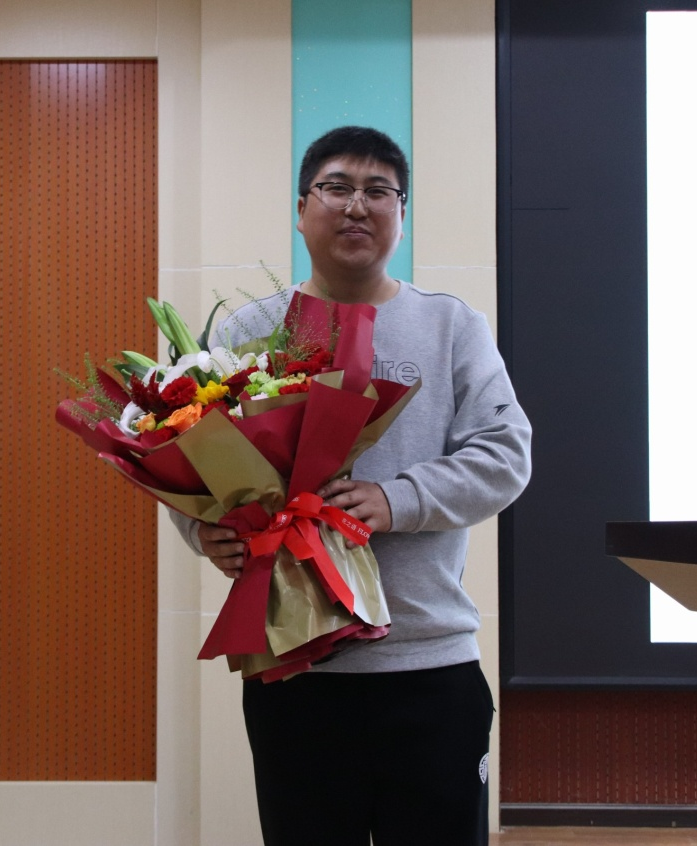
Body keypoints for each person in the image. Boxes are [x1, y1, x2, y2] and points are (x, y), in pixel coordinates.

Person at [173, 125, 532, 846]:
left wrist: (396, 499)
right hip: (293, 671)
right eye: (336, 187)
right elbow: (188, 460)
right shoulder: (246, 331)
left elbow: (505, 456)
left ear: (402, 212)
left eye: (378, 191)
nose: (356, 206)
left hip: (428, 664)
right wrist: (204, 532)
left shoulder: (450, 325)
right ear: (301, 208)